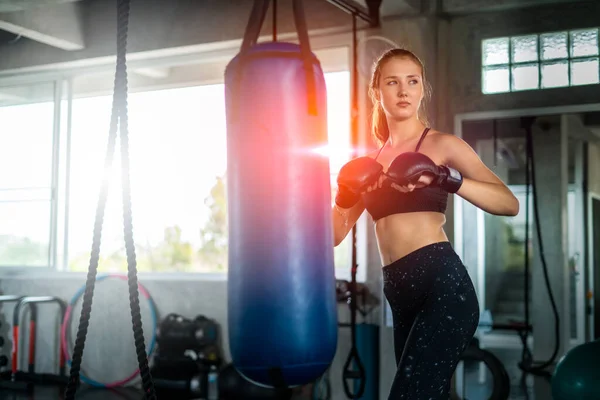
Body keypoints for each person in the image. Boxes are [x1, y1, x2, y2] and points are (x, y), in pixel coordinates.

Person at [331, 48, 519, 399]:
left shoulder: (442, 145)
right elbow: (335, 234)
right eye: (393, 82)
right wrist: (343, 196)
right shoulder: (366, 163)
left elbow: (509, 203)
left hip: (442, 284)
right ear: (378, 92)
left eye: (412, 81)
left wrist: (446, 177)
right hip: (399, 293)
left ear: (421, 89)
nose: (403, 91)